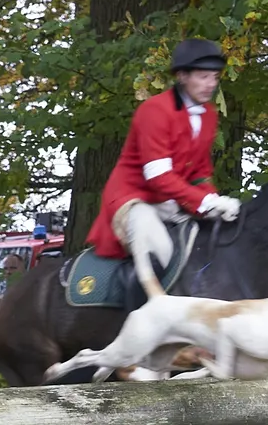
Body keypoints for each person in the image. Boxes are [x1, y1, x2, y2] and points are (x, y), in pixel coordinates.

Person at [83, 38, 243, 291]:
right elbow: (157, 176)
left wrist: (213, 201)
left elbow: (200, 173)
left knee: (210, 244)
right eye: (203, 77)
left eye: (214, 77)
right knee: (163, 253)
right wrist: (205, 203)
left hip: (171, 200)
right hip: (134, 199)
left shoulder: (209, 115)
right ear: (182, 76)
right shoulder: (154, 110)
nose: (211, 84)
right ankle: (137, 321)